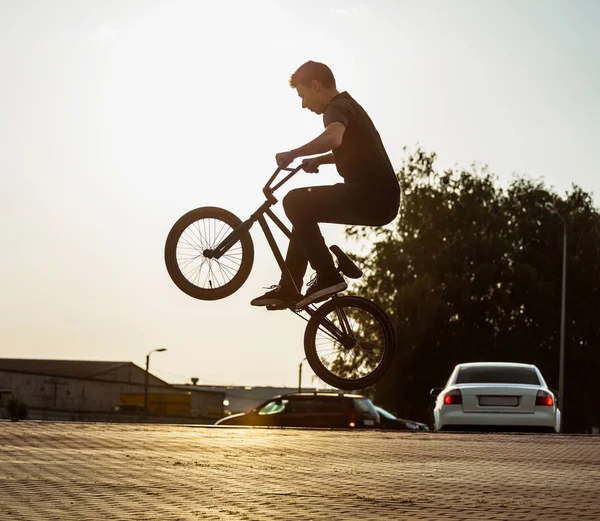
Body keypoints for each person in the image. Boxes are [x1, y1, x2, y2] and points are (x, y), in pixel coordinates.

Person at [251, 60, 400, 309]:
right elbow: (351, 149)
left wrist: (293, 153)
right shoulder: (349, 106)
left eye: (302, 95)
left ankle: (328, 276)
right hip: (381, 198)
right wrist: (319, 159)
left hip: (373, 195)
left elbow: (333, 137)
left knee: (294, 201)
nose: (303, 104)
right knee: (303, 211)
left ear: (315, 85)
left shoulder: (336, 108)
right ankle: (290, 288)